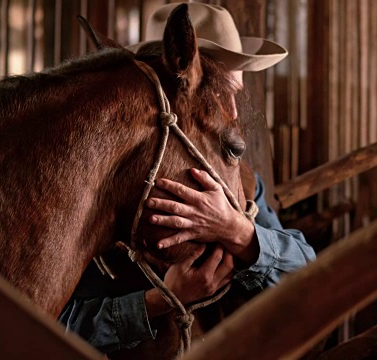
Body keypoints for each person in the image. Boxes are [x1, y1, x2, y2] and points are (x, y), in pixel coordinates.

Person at [58, 2, 316, 355]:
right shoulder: (109, 190)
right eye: (221, 93)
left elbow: (310, 278)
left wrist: (236, 230)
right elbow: (57, 327)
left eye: (236, 93)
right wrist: (159, 300)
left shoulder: (242, 182)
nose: (234, 111)